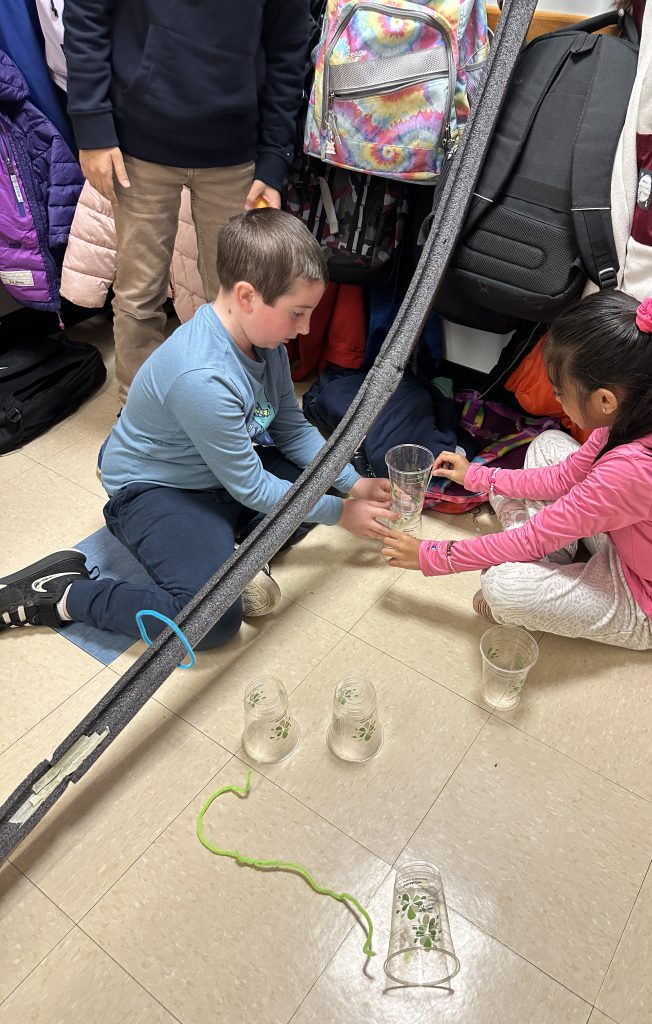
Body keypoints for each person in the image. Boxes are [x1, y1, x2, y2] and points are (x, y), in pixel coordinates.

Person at [0, 210, 394, 648]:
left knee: (312, 494)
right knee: (212, 622)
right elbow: (250, 487)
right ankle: (62, 594)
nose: (303, 329)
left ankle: (233, 555)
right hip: (156, 489)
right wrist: (341, 513)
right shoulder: (202, 378)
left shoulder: (266, 343)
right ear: (246, 295)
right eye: (297, 314)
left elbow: (291, 428)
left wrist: (353, 485)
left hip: (218, 473)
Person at [382, 291, 652, 650]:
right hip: (626, 538)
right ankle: (551, 553)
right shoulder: (642, 419)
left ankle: (541, 559)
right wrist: (474, 475)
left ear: (605, 400)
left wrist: (432, 555)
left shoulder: (631, 472)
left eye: (561, 393)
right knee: (547, 444)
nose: (559, 401)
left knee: (501, 586)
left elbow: (536, 535)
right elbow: (562, 478)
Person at [62, 0, 309, 405]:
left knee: (240, 299)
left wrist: (273, 158)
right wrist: (92, 127)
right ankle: (140, 422)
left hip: (237, 152)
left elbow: (289, 49)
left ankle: (232, 416)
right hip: (138, 143)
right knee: (139, 295)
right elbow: (86, 15)